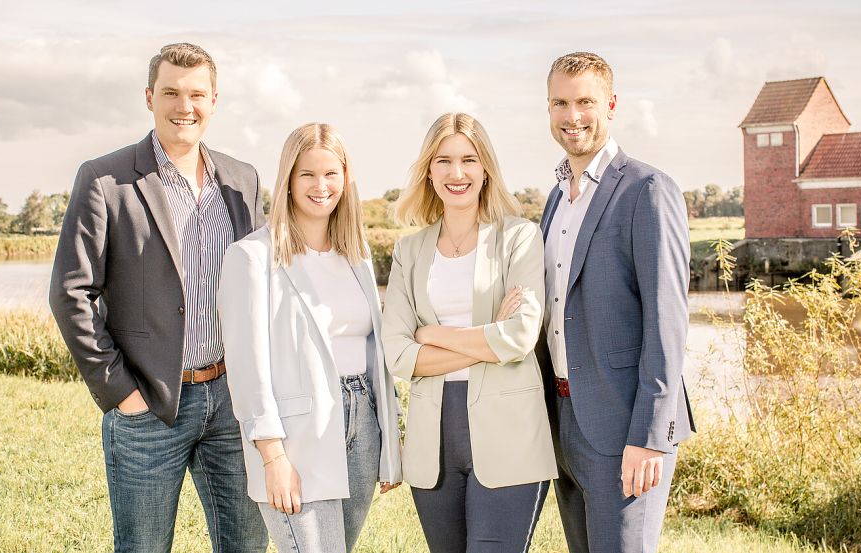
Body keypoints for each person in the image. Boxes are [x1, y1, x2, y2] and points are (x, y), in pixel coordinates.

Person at [48, 43, 268, 552]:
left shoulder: (242, 179)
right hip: (148, 404)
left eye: (196, 94)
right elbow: (71, 292)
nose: (183, 106)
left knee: (248, 547)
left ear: (214, 101)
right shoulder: (105, 179)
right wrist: (120, 392)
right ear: (150, 97)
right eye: (170, 92)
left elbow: (264, 286)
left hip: (234, 402)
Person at [217, 122, 403, 552]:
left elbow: (373, 352)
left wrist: (388, 446)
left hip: (361, 425)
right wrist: (273, 457)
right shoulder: (251, 257)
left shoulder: (354, 255)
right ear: (288, 181)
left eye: (331, 174)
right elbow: (248, 369)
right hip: (296, 437)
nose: (321, 186)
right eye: (308, 175)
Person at [537, 51, 696, 553]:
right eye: (560, 103)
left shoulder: (648, 189)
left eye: (585, 101)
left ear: (611, 104)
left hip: (625, 428)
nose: (572, 116)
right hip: (564, 420)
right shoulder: (556, 197)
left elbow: (667, 323)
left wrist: (651, 435)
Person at [382, 112, 557, 553]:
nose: (456, 173)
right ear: (428, 170)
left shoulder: (519, 237)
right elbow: (399, 356)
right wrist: (487, 340)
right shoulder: (409, 249)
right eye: (443, 161)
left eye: (469, 160)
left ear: (486, 169)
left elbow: (519, 338)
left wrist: (432, 333)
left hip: (510, 435)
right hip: (432, 440)